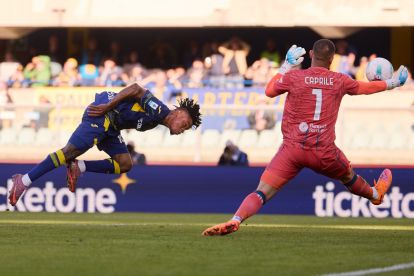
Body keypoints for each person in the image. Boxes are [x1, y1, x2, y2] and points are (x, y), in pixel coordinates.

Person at [202, 39, 408, 236]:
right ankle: (374, 195)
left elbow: (269, 91)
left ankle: (236, 219)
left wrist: (286, 66)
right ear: (332, 59)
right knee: (348, 177)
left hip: (292, 150)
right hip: (324, 151)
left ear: (310, 55)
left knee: (262, 192)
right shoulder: (340, 80)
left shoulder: (294, 77)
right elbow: (365, 88)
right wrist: (392, 83)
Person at [8, 82, 202, 206]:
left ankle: (78, 167)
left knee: (125, 163)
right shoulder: (160, 110)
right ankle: (24, 181)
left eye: (185, 129)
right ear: (177, 112)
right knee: (71, 151)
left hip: (112, 126)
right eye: (184, 123)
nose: (182, 129)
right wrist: (108, 106)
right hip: (104, 113)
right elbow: (136, 89)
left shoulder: (156, 121)